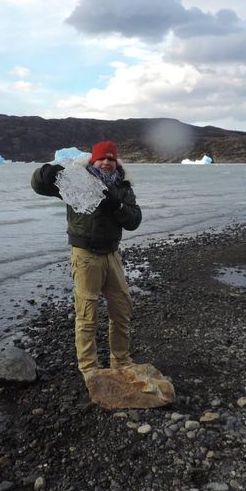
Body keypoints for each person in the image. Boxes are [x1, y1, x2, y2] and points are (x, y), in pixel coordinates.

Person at [31, 141, 142, 381]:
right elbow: (39, 186)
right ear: (93, 160)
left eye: (110, 159)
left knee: (122, 309)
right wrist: (45, 173)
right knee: (87, 313)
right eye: (102, 158)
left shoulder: (122, 186)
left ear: (116, 162)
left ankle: (121, 361)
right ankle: (89, 368)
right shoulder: (76, 180)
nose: (106, 163)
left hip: (112, 254)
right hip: (85, 254)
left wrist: (117, 206)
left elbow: (134, 220)